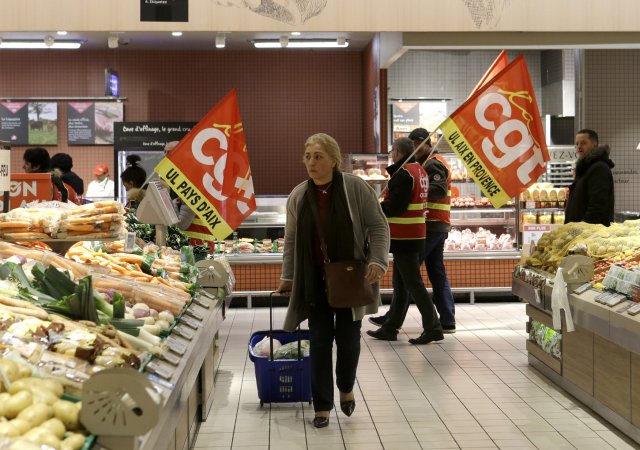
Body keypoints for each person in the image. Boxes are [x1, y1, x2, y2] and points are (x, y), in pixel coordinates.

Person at [277, 133, 389, 429]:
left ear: (334, 160)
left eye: (318, 157)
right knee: (320, 341)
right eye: (308, 157)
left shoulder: (355, 188)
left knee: (349, 341)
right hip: (313, 281)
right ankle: (323, 405)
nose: (311, 163)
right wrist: (288, 276)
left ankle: (346, 386)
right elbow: (290, 240)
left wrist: (378, 260)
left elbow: (378, 225)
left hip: (350, 278)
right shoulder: (299, 195)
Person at [369, 128, 456, 332]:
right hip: (431, 224)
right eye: (413, 144)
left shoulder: (432, 163)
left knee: (406, 276)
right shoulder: (421, 165)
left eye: (419, 144)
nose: (416, 148)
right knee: (434, 273)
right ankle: (446, 320)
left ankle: (396, 320)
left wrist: (415, 193)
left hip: (430, 225)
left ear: (427, 144)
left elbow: (440, 190)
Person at [564, 129, 615, 226]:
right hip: (580, 234)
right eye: (577, 144)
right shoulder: (585, 168)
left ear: (594, 145)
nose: (579, 147)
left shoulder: (599, 168)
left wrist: (583, 228)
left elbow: (597, 205)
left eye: (583, 143)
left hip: (590, 235)